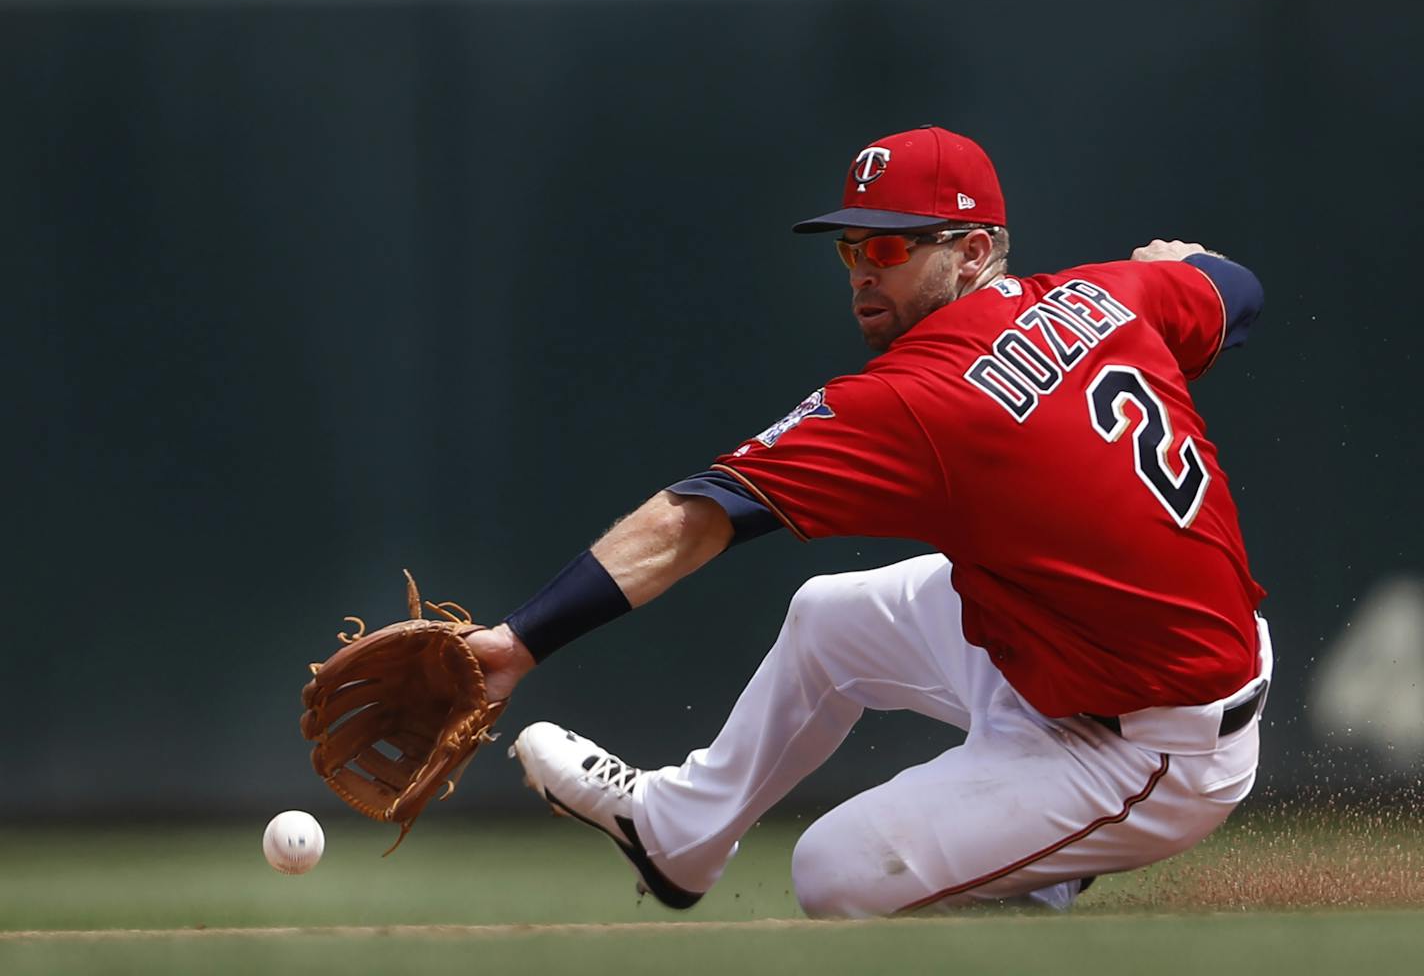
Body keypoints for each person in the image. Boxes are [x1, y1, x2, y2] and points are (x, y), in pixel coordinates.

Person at [463, 125, 1269, 916]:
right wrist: (1182, 267)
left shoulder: (921, 396)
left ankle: (1039, 876)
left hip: (1156, 742)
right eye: (851, 248)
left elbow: (699, 518)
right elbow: (1239, 292)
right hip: (1093, 647)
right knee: (829, 619)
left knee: (834, 874)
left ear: (974, 251)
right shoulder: (1107, 294)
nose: (861, 274)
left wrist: (520, 640)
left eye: (891, 249)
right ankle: (681, 833)